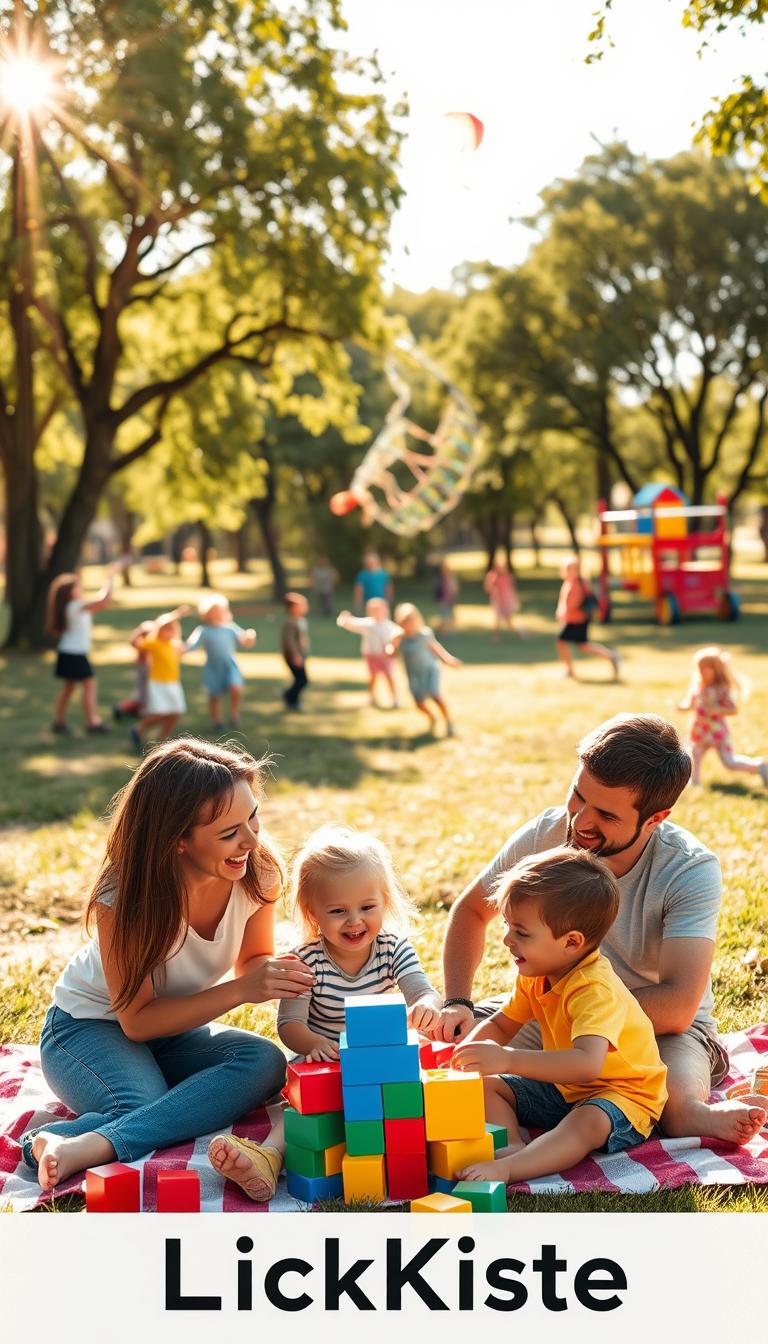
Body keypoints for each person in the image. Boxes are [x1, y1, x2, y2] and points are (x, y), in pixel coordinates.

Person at [437, 713, 766, 1146]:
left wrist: (586, 1019)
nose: (580, 822)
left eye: (607, 815)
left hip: (655, 1027)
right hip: (555, 1011)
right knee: (454, 1059)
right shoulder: (549, 831)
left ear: (655, 818)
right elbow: (470, 912)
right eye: (578, 795)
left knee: (673, 1106)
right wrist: (457, 1001)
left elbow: (680, 1003)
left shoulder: (689, 868)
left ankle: (693, 1114)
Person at [19, 738, 314, 1196]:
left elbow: (251, 960)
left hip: (173, 1030)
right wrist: (242, 991)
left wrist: (274, 974)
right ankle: (54, 1144)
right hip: (87, 1029)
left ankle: (84, 1139)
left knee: (262, 1061)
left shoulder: (256, 870)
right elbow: (137, 1022)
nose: (252, 839)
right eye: (229, 831)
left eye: (253, 816)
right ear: (178, 839)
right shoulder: (124, 899)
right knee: (141, 1104)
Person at [209, 825, 442, 1198]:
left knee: (414, 1100)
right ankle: (270, 1156)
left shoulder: (393, 949)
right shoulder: (306, 960)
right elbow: (289, 1025)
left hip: (380, 1063)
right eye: (338, 911)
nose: (354, 921)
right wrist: (314, 1042)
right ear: (312, 911)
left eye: (367, 907)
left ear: (385, 901)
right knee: (310, 1110)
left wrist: (427, 1006)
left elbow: (422, 991)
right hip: (325, 1061)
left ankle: (429, 1159)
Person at [452, 847, 667, 1184]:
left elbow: (587, 1064)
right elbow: (502, 1023)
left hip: (622, 1096)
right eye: (508, 926)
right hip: (565, 1090)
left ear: (571, 942)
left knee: (587, 1122)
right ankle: (512, 1147)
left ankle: (510, 1169)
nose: (508, 940)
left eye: (521, 933)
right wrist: (462, 1059)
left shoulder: (594, 989)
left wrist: (507, 1059)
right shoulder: (535, 974)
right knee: (487, 1086)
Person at [47, 558, 129, 735]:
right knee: (90, 684)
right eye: (77, 587)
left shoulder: (72, 607)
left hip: (67, 652)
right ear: (69, 593)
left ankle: (58, 722)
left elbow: (99, 600)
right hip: (74, 653)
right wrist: (111, 576)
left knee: (69, 688)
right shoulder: (76, 606)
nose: (80, 589)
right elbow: (104, 601)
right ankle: (92, 722)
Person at [678, 646, 768, 788]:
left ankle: (760, 767)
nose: (701, 672)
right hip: (700, 732)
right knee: (695, 755)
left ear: (716, 670)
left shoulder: (721, 689)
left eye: (705, 669)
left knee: (729, 762)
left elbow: (733, 709)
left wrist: (716, 709)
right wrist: (681, 707)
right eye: (699, 668)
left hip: (717, 732)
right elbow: (689, 705)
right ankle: (694, 782)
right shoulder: (697, 687)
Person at [185, 594, 256, 731]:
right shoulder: (203, 631)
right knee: (214, 696)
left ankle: (234, 713)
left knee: (236, 687)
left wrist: (250, 637)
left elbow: (245, 641)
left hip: (229, 665)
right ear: (206, 614)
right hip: (213, 667)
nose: (217, 615)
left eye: (220, 611)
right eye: (213, 612)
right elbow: (190, 645)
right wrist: (179, 650)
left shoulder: (230, 628)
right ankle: (217, 721)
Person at [392, 602, 461, 736]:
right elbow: (391, 654)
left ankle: (449, 721)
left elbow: (436, 648)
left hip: (430, 670)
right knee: (418, 702)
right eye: (405, 622)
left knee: (435, 695)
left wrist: (448, 659)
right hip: (413, 674)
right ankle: (432, 718)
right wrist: (392, 643)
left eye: (411, 621)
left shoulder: (424, 634)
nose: (408, 624)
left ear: (417, 620)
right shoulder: (400, 638)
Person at [129, 610, 189, 750]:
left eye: (172, 629)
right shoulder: (154, 643)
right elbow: (134, 643)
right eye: (166, 629)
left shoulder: (174, 645)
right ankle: (139, 728)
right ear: (159, 630)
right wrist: (140, 630)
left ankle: (164, 739)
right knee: (160, 712)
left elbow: (185, 649)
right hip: (158, 683)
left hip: (173, 683)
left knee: (176, 711)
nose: (169, 632)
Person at [555, 556, 619, 679]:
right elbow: (563, 601)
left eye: (572, 568)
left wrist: (564, 613)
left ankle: (570, 670)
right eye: (567, 569)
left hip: (577, 620)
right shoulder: (569, 582)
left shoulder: (579, 584)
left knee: (562, 642)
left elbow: (574, 602)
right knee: (583, 646)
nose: (569, 571)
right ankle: (611, 656)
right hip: (572, 619)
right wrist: (561, 612)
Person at [337, 598, 401, 708]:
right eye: (372, 610)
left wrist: (391, 649)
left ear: (385, 610)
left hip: (385, 656)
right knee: (373, 677)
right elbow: (350, 623)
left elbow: (397, 637)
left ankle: (395, 699)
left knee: (389, 677)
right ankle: (372, 697)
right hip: (371, 655)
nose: (375, 612)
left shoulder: (389, 626)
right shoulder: (368, 623)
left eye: (378, 609)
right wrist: (344, 618)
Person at [281, 591, 309, 712]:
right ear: (293, 608)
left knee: (301, 679)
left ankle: (292, 699)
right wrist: (295, 654)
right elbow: (289, 640)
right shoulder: (290, 622)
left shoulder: (300, 620)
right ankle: (290, 697)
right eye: (302, 605)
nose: (305, 607)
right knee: (302, 680)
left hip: (300, 654)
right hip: (293, 656)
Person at [483, 556, 524, 640]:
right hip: (497, 601)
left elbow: (511, 588)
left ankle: (518, 634)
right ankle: (496, 636)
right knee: (497, 619)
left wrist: (514, 599)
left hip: (505, 601)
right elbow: (487, 587)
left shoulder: (507, 576)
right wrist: (493, 589)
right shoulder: (492, 576)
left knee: (509, 620)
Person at [435, 558, 460, 630]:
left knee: (449, 615)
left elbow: (455, 589)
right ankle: (442, 629)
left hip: (450, 600)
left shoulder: (451, 578)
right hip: (444, 600)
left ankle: (449, 629)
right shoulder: (441, 579)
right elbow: (439, 591)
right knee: (444, 615)